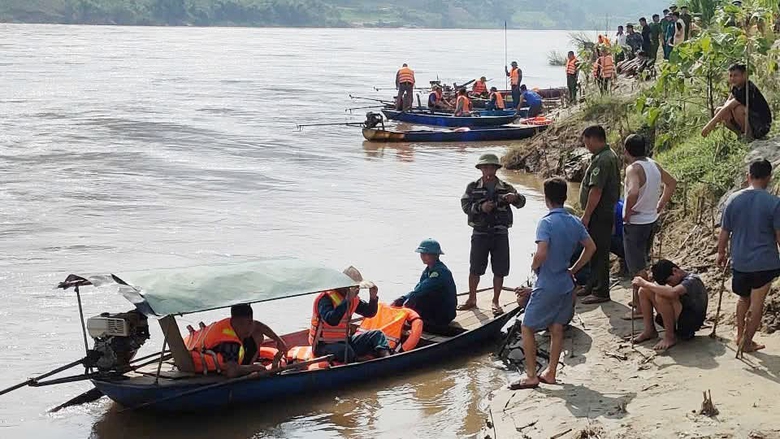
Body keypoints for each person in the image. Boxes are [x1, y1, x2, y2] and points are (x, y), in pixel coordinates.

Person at [510, 177, 596, 389]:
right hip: (566, 284)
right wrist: (573, 269)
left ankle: (530, 375)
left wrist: (534, 265)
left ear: (546, 198)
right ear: (565, 196)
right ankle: (551, 372)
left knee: (527, 327)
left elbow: (541, 252)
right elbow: (591, 247)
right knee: (557, 328)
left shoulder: (546, 222)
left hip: (547, 283)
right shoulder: (574, 221)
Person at [717, 158, 780, 353]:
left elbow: (724, 232)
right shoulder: (774, 203)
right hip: (764, 262)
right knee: (757, 302)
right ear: (769, 177)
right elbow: (779, 236)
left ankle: (739, 334)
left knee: (743, 299)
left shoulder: (733, 199)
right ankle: (747, 342)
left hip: (740, 261)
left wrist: (720, 253)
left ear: (748, 176)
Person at [459, 153, 526, 315]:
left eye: (491, 167)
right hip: (480, 233)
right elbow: (465, 205)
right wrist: (480, 208)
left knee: (500, 269)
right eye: (485, 167)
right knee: (475, 268)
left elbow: (522, 203)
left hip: (500, 233)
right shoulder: (472, 187)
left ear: (496, 169)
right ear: (481, 169)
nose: (488, 170)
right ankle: (471, 298)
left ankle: (495, 301)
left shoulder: (506, 187)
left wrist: (515, 198)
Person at [621, 134, 677, 320]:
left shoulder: (633, 169)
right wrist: (660, 204)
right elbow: (671, 183)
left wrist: (627, 213)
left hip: (635, 223)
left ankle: (640, 307)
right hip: (650, 220)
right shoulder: (654, 165)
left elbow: (633, 192)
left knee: (636, 266)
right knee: (642, 261)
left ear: (626, 150)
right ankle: (639, 300)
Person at [577, 125, 621, 305]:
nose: (586, 146)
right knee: (594, 251)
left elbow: (596, 190)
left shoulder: (603, 160)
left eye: (586, 142)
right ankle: (592, 284)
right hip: (602, 212)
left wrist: (586, 215)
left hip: (599, 214)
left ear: (593, 139)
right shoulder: (606, 156)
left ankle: (601, 290)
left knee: (599, 251)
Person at [310, 276, 391, 363]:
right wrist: (347, 300)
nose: (357, 290)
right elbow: (331, 320)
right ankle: (357, 362)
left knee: (377, 335)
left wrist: (373, 297)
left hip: (345, 341)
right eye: (354, 287)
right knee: (346, 351)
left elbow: (369, 313)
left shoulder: (353, 299)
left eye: (357, 287)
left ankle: (388, 359)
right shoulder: (325, 299)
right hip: (324, 345)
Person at [631, 260, 708, 351]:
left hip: (688, 323)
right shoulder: (679, 280)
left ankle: (669, 336)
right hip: (677, 317)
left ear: (675, 271)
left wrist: (645, 283)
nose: (669, 284)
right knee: (644, 290)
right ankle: (649, 330)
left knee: (662, 296)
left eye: (669, 281)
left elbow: (673, 292)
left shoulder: (692, 280)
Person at [190, 304, 284, 378]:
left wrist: (278, 340)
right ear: (234, 321)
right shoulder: (230, 343)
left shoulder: (229, 323)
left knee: (258, 335)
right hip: (212, 368)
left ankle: (247, 365)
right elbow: (231, 372)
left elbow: (257, 325)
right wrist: (254, 368)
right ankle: (247, 370)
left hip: (225, 358)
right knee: (244, 367)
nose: (247, 328)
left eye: (249, 322)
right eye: (241, 324)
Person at [392, 239, 457, 329]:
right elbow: (418, 288)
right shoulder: (427, 271)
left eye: (426, 254)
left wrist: (406, 303)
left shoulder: (440, 272)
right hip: (436, 308)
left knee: (416, 299)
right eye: (422, 254)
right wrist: (402, 298)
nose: (423, 256)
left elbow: (421, 291)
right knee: (412, 298)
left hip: (444, 314)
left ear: (436, 255)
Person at [702, 63, 773, 140]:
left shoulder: (748, 89)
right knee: (719, 110)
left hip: (761, 125)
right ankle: (740, 135)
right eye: (730, 76)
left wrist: (710, 125)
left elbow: (728, 107)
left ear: (744, 75)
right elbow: (727, 104)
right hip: (749, 121)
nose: (732, 78)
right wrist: (717, 117)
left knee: (738, 109)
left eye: (735, 75)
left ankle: (749, 136)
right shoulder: (736, 87)